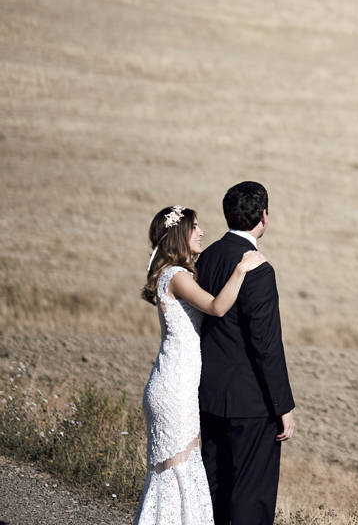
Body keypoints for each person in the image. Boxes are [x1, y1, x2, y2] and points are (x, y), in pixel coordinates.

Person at [134, 205, 267, 525]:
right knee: (177, 475)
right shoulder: (176, 276)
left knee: (182, 472)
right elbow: (217, 307)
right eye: (195, 227)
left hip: (178, 382)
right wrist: (242, 268)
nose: (202, 232)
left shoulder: (175, 273)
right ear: (180, 233)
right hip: (175, 385)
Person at [197, 181, 296, 525]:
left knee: (211, 489)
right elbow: (266, 345)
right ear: (264, 217)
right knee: (250, 497)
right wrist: (283, 406)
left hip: (207, 396)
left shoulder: (205, 258)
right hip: (251, 405)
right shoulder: (258, 270)